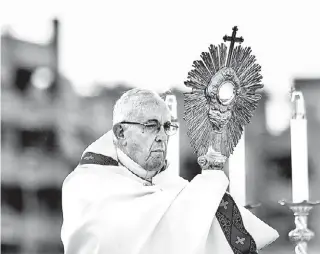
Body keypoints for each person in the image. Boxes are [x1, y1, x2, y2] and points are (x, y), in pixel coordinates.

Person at [61, 88, 278, 254]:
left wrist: (211, 186)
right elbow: (121, 234)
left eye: (167, 127)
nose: (162, 136)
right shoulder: (86, 185)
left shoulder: (172, 187)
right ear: (121, 132)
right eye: (151, 125)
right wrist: (208, 186)